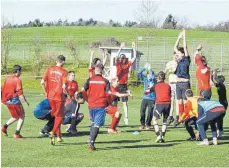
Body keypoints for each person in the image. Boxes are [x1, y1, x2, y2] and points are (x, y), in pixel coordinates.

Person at [41, 55, 68, 145]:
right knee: (60, 116)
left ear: (56, 61)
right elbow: (64, 86)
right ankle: (53, 132)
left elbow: (42, 82)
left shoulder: (49, 69)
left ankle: (59, 136)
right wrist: (67, 94)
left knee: (56, 115)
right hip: (59, 97)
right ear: (63, 62)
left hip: (50, 96)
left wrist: (46, 92)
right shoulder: (64, 72)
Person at [83, 63, 110, 151]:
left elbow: (83, 91)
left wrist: (87, 100)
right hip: (101, 105)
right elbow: (108, 94)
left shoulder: (89, 80)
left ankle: (89, 139)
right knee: (97, 125)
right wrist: (108, 103)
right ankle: (91, 142)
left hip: (91, 106)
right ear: (102, 70)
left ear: (95, 70)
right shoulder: (105, 81)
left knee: (93, 122)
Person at [1, 65, 29, 138]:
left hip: (7, 101)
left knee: (15, 116)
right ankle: (17, 134)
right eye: (20, 71)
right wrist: (25, 102)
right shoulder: (17, 80)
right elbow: (20, 93)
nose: (21, 73)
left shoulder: (7, 78)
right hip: (14, 101)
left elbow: (2, 89)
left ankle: (4, 127)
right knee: (22, 116)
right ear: (18, 71)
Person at [115, 42, 137, 125]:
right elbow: (116, 56)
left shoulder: (127, 65)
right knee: (115, 103)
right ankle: (115, 116)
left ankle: (126, 118)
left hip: (124, 85)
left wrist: (134, 48)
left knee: (125, 103)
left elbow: (134, 57)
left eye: (123, 57)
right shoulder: (118, 64)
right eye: (121, 57)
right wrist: (120, 48)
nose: (122, 59)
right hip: (117, 85)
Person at [174, 29, 191, 127]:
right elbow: (175, 47)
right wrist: (178, 37)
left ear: (183, 54)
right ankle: (181, 118)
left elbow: (185, 47)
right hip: (178, 84)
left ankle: (187, 118)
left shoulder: (186, 59)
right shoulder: (179, 61)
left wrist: (184, 36)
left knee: (185, 102)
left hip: (185, 83)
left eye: (179, 53)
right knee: (179, 102)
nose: (177, 54)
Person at [151, 71, 171, 143]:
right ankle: (162, 136)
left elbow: (147, 91)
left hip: (160, 104)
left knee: (154, 119)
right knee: (165, 120)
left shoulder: (156, 85)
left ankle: (158, 136)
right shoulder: (168, 85)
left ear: (158, 78)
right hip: (168, 104)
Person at [137, 62, 157, 130]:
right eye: (148, 74)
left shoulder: (154, 80)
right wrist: (145, 68)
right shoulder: (145, 79)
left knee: (150, 113)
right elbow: (139, 73)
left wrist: (150, 70)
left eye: (150, 74)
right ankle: (142, 124)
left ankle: (148, 124)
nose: (148, 75)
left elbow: (152, 78)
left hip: (152, 99)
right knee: (142, 111)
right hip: (145, 98)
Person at [211, 69, 228, 137]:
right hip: (223, 103)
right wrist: (212, 75)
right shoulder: (220, 85)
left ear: (220, 80)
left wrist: (214, 73)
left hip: (223, 103)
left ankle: (220, 131)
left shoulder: (221, 85)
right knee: (219, 117)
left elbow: (215, 78)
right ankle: (220, 131)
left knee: (218, 117)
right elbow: (213, 80)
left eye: (218, 79)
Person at [164, 53, 179, 126]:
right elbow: (165, 71)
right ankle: (170, 116)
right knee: (171, 100)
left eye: (177, 55)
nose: (176, 57)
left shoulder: (179, 63)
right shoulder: (169, 63)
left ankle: (177, 117)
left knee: (177, 101)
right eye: (175, 55)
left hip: (177, 83)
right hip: (170, 83)